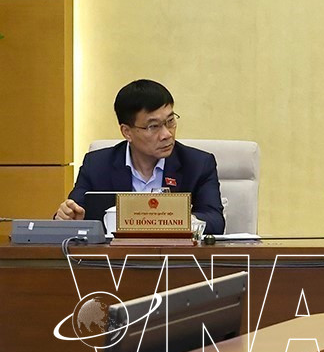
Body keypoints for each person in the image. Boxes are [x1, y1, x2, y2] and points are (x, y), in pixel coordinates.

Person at [54, 79, 226, 235]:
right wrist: (65, 217)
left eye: (170, 121)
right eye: (153, 126)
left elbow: (215, 221)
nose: (167, 134)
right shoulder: (97, 165)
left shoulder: (198, 164)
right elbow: (74, 212)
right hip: (115, 264)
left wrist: (178, 220)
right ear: (126, 132)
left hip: (175, 262)